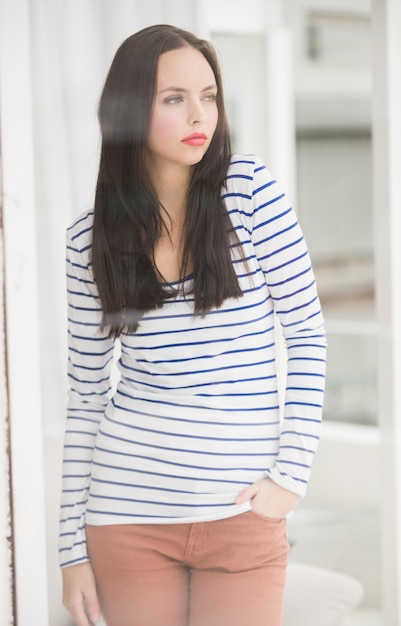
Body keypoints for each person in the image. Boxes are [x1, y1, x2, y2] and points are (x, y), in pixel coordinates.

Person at [59, 24, 326, 626]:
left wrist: (291, 476)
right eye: (173, 98)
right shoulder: (88, 239)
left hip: (241, 516)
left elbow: (308, 336)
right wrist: (70, 549)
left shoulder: (251, 195)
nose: (198, 113)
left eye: (208, 95)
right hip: (124, 516)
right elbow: (86, 394)